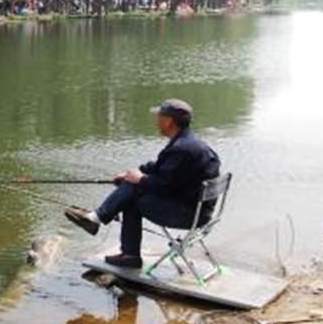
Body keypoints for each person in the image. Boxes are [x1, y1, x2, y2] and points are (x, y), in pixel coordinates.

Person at [65, 99, 220, 268]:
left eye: (159, 117)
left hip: (187, 215)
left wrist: (139, 179)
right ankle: (123, 248)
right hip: (198, 211)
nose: (156, 121)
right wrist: (131, 175)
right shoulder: (189, 143)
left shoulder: (181, 149)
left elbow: (163, 185)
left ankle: (100, 222)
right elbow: (158, 167)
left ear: (168, 122)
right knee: (132, 188)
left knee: (132, 194)